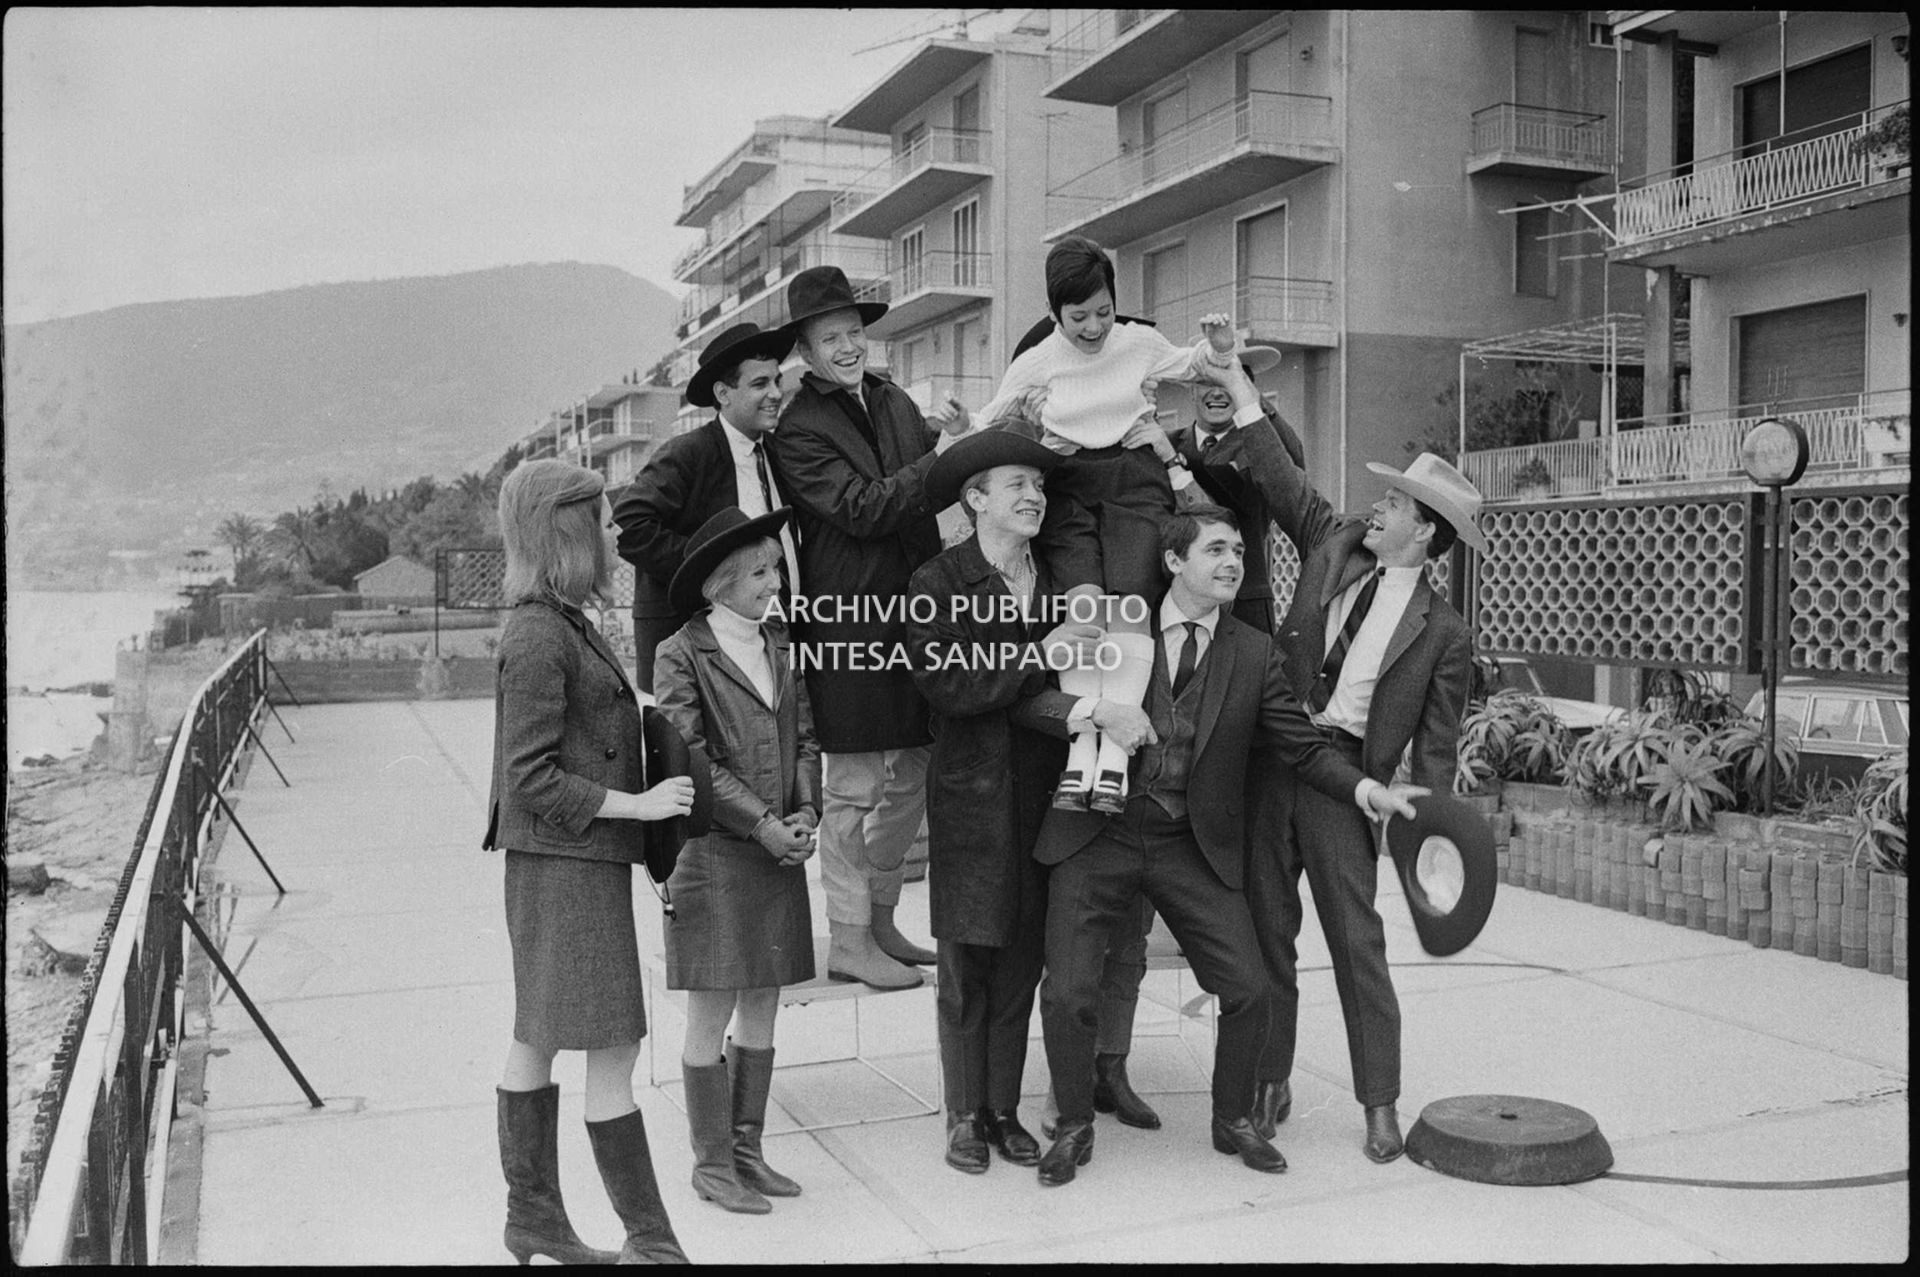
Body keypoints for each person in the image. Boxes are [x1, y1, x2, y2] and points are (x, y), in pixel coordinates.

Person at [1020, 503, 1426, 1187]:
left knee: (1249, 985)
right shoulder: (1115, 624)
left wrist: (1365, 791)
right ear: (1175, 561)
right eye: (1215, 550)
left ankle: (1232, 1116)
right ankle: (1073, 1125)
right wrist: (1094, 711)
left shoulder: (1253, 650)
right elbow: (1030, 698)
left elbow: (1300, 747)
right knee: (1068, 991)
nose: (1233, 561)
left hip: (1188, 841)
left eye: (1239, 550)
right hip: (1099, 828)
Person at [1061, 351, 1312, 1136]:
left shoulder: (1252, 436)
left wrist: (1187, 446)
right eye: (1203, 369)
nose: (1213, 380)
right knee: (1096, 938)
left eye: (1228, 370)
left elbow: (1253, 492)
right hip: (1128, 662)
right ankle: (1084, 1085)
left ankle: (1131, 1071)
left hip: (1232, 676)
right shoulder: (1136, 447)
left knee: (1195, 936)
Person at [1240, 442, 1482, 1164]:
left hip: (1345, 777)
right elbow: (1284, 484)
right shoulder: (1338, 544)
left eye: (1397, 504)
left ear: (1427, 532)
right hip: (1274, 752)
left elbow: (1436, 750)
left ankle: (1380, 1101)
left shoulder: (1446, 633)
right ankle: (1268, 1080)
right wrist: (1233, 387)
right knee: (1266, 929)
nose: (1379, 509)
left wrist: (1428, 841)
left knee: (1356, 941)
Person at [483, 459, 694, 1264]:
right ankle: (652, 1242)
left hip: (563, 862)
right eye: (603, 520)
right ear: (567, 529)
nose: (614, 534)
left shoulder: (560, 621)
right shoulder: (539, 631)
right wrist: (638, 806)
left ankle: (533, 1219)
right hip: (566, 861)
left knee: (540, 1036)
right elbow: (527, 776)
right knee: (611, 1042)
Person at [975, 235, 1260, 817]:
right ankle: (1084, 755)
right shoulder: (1036, 361)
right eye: (1078, 317)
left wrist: (1222, 347)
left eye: (1103, 312)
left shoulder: (1138, 342)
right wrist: (985, 424)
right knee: (1084, 606)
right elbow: (990, 420)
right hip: (1071, 483)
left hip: (1135, 478)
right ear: (1056, 313)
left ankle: (1113, 766)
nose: (1093, 327)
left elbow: (1197, 365)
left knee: (1130, 604)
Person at [903, 429, 1113, 1175]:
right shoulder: (938, 581)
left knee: (1024, 956)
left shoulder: (1055, 581)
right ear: (974, 498)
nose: (1033, 496)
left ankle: (1000, 1107)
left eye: (1040, 485)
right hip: (972, 793)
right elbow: (949, 683)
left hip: (1045, 791)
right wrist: (1043, 655)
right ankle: (962, 1113)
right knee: (968, 958)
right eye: (1016, 483)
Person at [766, 264, 968, 990]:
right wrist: (943, 462)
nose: (848, 345)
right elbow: (863, 508)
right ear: (807, 349)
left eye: (854, 331)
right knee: (852, 786)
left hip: (915, 615)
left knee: (913, 772)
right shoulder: (797, 430)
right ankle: (848, 937)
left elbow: (919, 487)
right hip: (847, 623)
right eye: (831, 337)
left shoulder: (892, 398)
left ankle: (881, 920)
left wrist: (945, 450)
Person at [653, 506, 821, 1215]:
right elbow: (692, 759)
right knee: (711, 1010)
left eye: (776, 567)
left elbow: (806, 736)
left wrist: (807, 809)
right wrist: (762, 824)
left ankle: (748, 1150)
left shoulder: (778, 642)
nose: (774, 580)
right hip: (716, 853)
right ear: (721, 583)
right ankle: (712, 1162)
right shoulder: (680, 652)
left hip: (776, 846)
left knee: (764, 1001)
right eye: (760, 570)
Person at [613, 321, 800, 692]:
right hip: (693, 643)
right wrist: (707, 568)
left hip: (769, 638)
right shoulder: (688, 453)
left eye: (777, 381)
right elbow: (630, 525)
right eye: (760, 384)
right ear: (723, 393)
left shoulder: (778, 455)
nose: (776, 393)